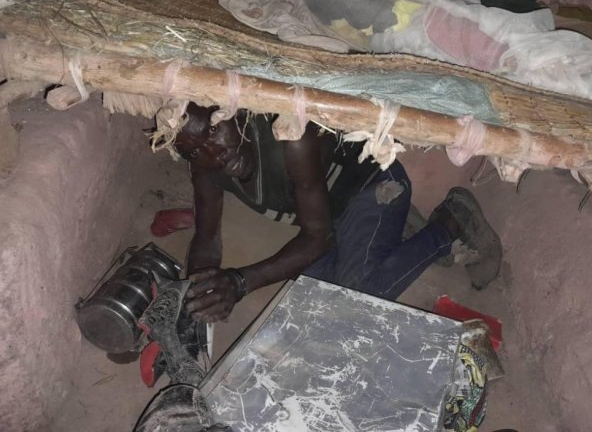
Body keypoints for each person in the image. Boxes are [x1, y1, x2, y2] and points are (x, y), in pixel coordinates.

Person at [171, 103, 502, 324]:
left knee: (357, 297)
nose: (213, 153)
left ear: (230, 109)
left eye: (212, 130)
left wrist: (238, 283)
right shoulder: (206, 167)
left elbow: (316, 239)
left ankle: (448, 225)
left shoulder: (291, 137)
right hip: (329, 217)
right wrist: (194, 298)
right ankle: (388, 235)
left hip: (375, 188)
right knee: (309, 307)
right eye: (194, 151)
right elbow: (207, 240)